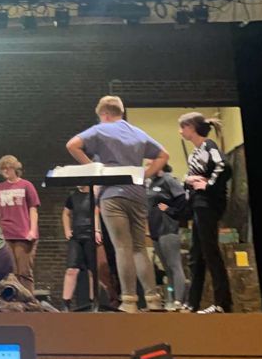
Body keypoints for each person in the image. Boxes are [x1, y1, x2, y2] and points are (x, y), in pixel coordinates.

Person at [66, 96, 168, 313]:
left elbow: (72, 145)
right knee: (140, 247)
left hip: (113, 194)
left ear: (104, 114)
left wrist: (94, 167)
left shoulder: (100, 130)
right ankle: (152, 298)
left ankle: (129, 300)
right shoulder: (137, 132)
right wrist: (144, 174)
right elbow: (163, 154)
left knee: (122, 247)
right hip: (138, 194)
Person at [177, 112, 232, 314]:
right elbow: (192, 178)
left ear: (191, 127)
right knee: (196, 254)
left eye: (183, 127)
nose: (181, 132)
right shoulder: (195, 153)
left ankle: (222, 303)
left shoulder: (208, 146)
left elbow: (223, 166)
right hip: (199, 205)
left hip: (208, 204)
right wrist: (188, 180)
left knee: (210, 252)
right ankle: (192, 302)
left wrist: (207, 185)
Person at [0, 155, 40, 293]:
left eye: (8, 168)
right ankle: (11, 305)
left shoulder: (26, 185)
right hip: (5, 234)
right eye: (3, 169)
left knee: (24, 272)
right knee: (8, 272)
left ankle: (28, 304)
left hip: (23, 234)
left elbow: (33, 209)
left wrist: (32, 230)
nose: (6, 171)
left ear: (15, 168)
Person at [146, 163, 188, 308]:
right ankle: (171, 298)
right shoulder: (151, 183)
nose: (147, 167)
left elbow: (183, 200)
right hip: (155, 230)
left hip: (168, 228)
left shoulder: (169, 180)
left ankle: (180, 300)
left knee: (174, 264)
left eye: (150, 164)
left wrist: (170, 210)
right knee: (166, 267)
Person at [61, 186, 100, 310]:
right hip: (77, 236)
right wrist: (67, 229)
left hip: (91, 235)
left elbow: (97, 212)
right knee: (71, 269)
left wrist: (97, 230)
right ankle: (65, 304)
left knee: (92, 271)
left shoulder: (95, 195)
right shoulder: (73, 196)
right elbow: (66, 213)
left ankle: (93, 303)